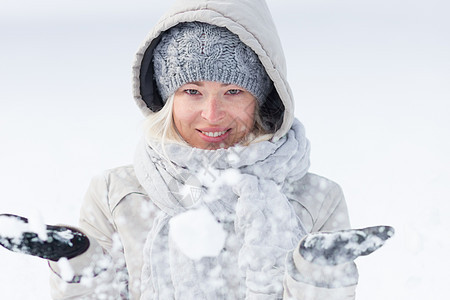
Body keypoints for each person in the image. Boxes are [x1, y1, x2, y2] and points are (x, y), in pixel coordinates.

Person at [0, 0, 394, 299]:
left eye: (233, 91)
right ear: (168, 99)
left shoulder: (316, 199)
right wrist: (77, 258)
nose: (211, 114)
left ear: (264, 98)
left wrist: (316, 272)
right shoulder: (115, 192)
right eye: (192, 91)